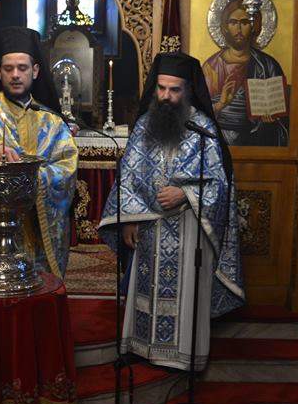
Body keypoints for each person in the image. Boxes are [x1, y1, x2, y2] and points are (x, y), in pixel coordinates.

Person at [97, 51, 244, 371]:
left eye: (174, 90)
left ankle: (181, 356)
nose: (165, 96)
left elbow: (221, 185)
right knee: (144, 291)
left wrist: (185, 193)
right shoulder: (144, 125)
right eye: (161, 88)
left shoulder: (203, 129)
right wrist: (128, 220)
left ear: (188, 90)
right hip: (147, 228)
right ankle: (140, 347)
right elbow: (128, 177)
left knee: (183, 293)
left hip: (188, 230)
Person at [0, 26, 78, 279]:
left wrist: (28, 180)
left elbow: (66, 167)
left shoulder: (51, 121)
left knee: (38, 290)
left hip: (36, 232)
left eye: (22, 68)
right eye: (8, 68)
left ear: (35, 71)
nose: (15, 75)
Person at [201, 0, 289, 146]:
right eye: (233, 22)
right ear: (225, 27)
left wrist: (270, 119)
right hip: (218, 139)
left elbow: (280, 112)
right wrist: (221, 104)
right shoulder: (211, 66)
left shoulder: (267, 65)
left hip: (257, 138)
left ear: (254, 26)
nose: (239, 28)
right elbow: (201, 113)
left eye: (245, 22)